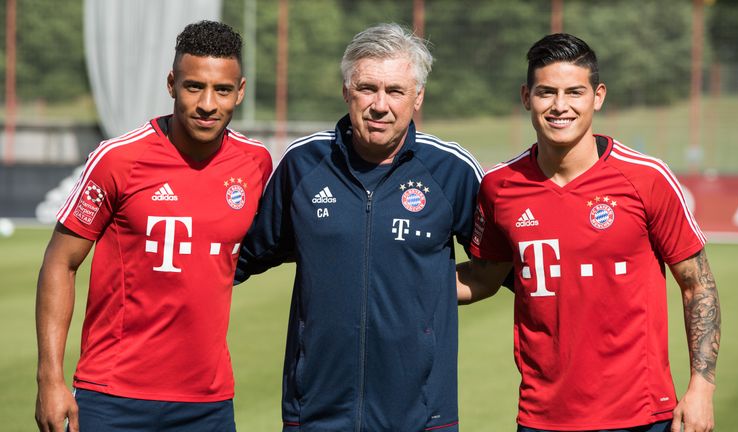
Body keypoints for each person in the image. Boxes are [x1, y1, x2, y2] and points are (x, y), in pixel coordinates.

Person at [456, 33, 721, 432]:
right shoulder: (499, 186)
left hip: (640, 415)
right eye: (546, 92)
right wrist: (390, 280)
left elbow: (697, 285)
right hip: (541, 416)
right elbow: (483, 278)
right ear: (526, 97)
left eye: (574, 92)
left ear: (597, 96)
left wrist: (701, 388)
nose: (560, 106)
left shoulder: (646, 178)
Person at [236, 23, 483, 431]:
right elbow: (239, 258)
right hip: (314, 414)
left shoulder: (451, 171)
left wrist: (429, 289)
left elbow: (501, 267)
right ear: (346, 91)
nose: (380, 105)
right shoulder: (303, 165)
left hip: (422, 417)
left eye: (396, 91)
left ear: (417, 97)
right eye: (367, 88)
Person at [35, 20, 272, 432]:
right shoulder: (117, 159)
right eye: (193, 86)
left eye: (222, 89)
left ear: (241, 91)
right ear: (171, 84)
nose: (207, 104)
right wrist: (49, 379)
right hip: (113, 395)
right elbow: (60, 263)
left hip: (209, 402)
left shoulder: (256, 163)